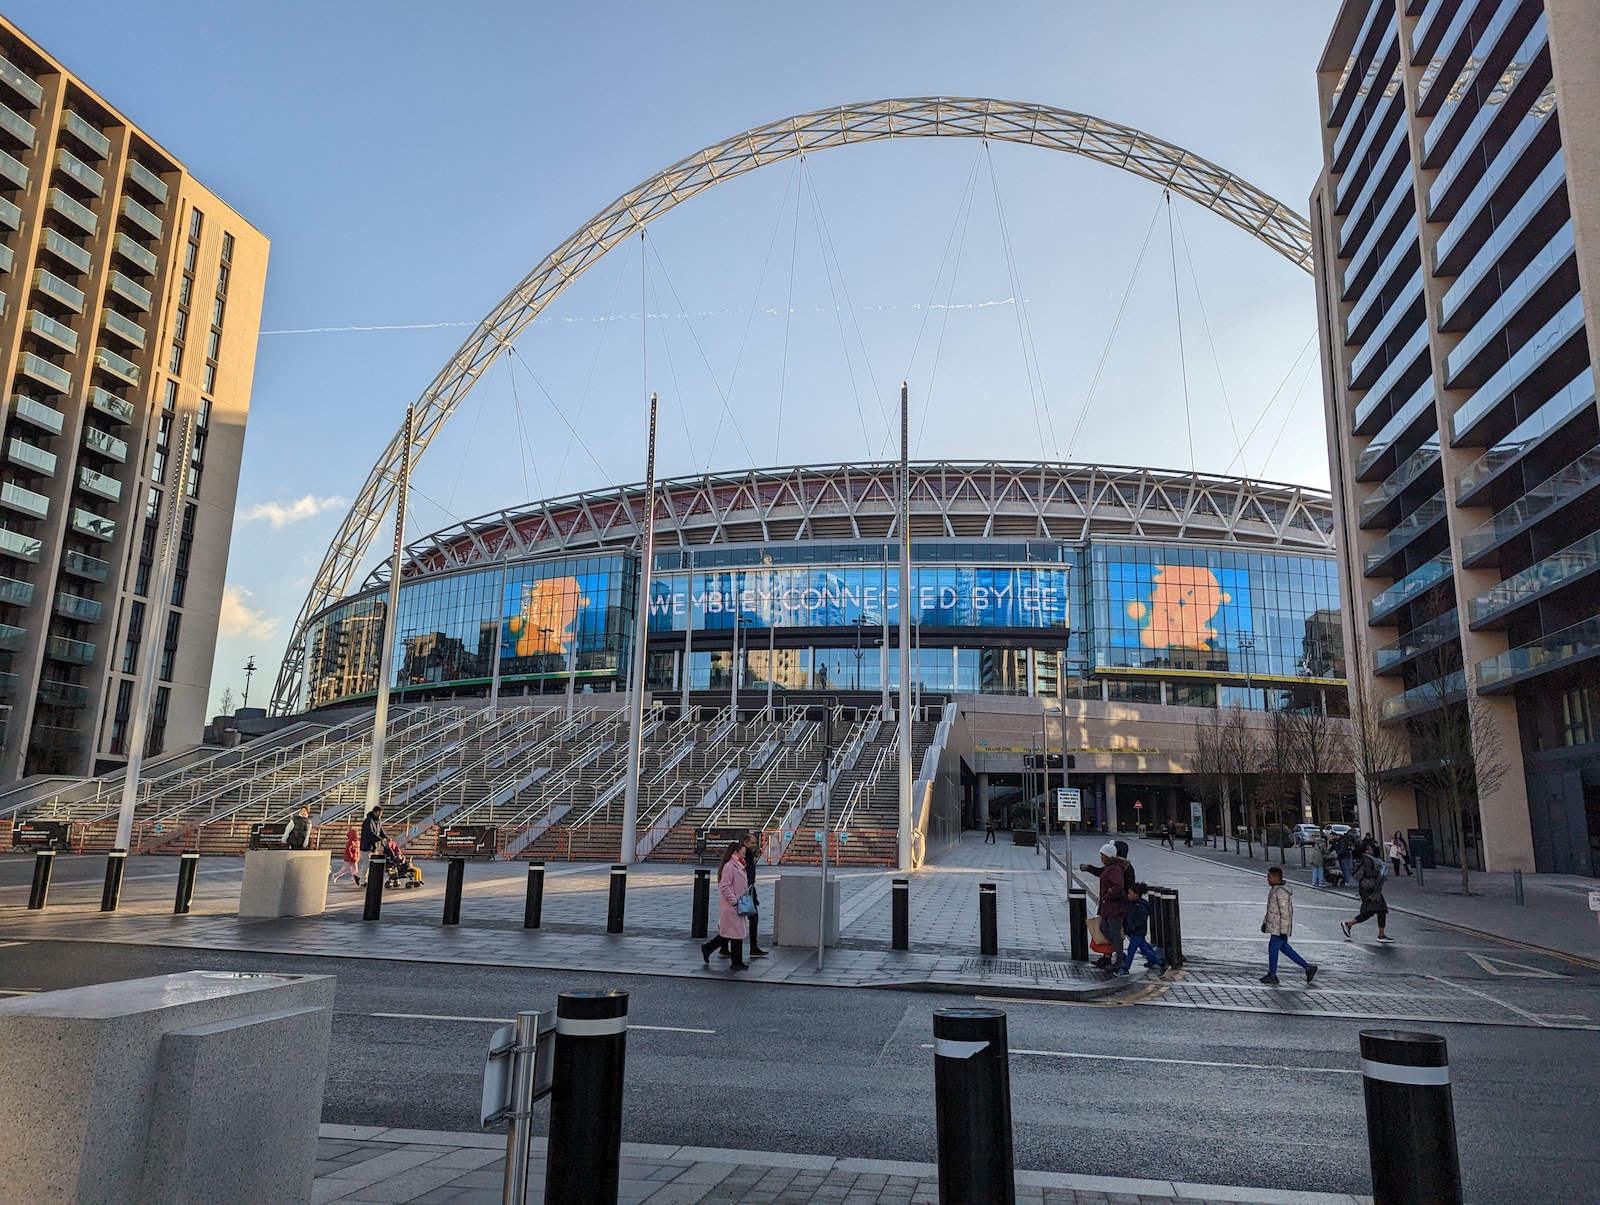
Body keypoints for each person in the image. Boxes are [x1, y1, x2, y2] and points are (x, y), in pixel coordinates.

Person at [1260, 866, 1317, 985]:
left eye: (1269, 877)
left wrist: (1283, 930)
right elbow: (1271, 910)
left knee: (1273, 949)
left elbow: (1285, 913)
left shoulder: (1281, 892)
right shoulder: (1275, 889)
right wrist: (1265, 922)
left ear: (1276, 877)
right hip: (1277, 927)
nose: (1267, 879)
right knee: (1285, 949)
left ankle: (1273, 974)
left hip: (1279, 928)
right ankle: (1308, 968)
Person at [699, 840, 751, 971]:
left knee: (731, 933)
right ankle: (736, 961)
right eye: (743, 853)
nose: (744, 856)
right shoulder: (730, 867)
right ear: (735, 852)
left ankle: (709, 948)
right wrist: (733, 900)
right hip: (732, 905)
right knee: (735, 933)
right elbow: (725, 886)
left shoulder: (736, 865)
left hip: (736, 904)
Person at [1079, 843, 1128, 970]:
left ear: (1109, 856)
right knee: (1104, 928)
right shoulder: (1109, 867)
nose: (1101, 857)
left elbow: (1118, 885)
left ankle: (1120, 959)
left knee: (1114, 932)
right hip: (1108, 907)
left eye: (1103, 855)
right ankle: (1119, 953)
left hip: (1114, 907)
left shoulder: (1114, 869)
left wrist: (1108, 894)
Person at [1343, 839, 1394, 944]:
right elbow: (1369, 873)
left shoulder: (1367, 858)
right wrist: (1380, 872)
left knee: (1369, 912)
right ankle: (1381, 935)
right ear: (1367, 850)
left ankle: (1349, 924)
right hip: (1369, 888)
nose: (1372, 849)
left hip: (1367, 888)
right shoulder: (1367, 859)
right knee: (1381, 909)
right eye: (1371, 848)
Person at [1113, 883, 1166, 977]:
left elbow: (1140, 920)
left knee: (1131, 950)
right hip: (1135, 932)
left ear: (1136, 894)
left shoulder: (1140, 906)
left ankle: (1125, 969)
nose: (1128, 895)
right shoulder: (1133, 904)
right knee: (1145, 950)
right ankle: (1162, 964)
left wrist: (1132, 928)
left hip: (1137, 932)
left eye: (1130, 893)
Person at [741, 831, 768, 958]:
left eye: (755, 843)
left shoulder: (750, 855)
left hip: (749, 891)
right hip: (744, 893)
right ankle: (715, 946)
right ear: (745, 843)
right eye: (752, 843)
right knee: (741, 921)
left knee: (752, 919)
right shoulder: (743, 856)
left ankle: (753, 947)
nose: (755, 845)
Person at [357, 805, 385, 886]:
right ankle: (362, 880)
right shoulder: (368, 821)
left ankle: (359, 876)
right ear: (375, 812)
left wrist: (386, 838)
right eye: (379, 813)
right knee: (366, 863)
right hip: (367, 846)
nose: (380, 815)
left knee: (370, 864)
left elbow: (381, 831)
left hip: (374, 846)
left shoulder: (378, 821)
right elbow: (370, 833)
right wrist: (380, 839)